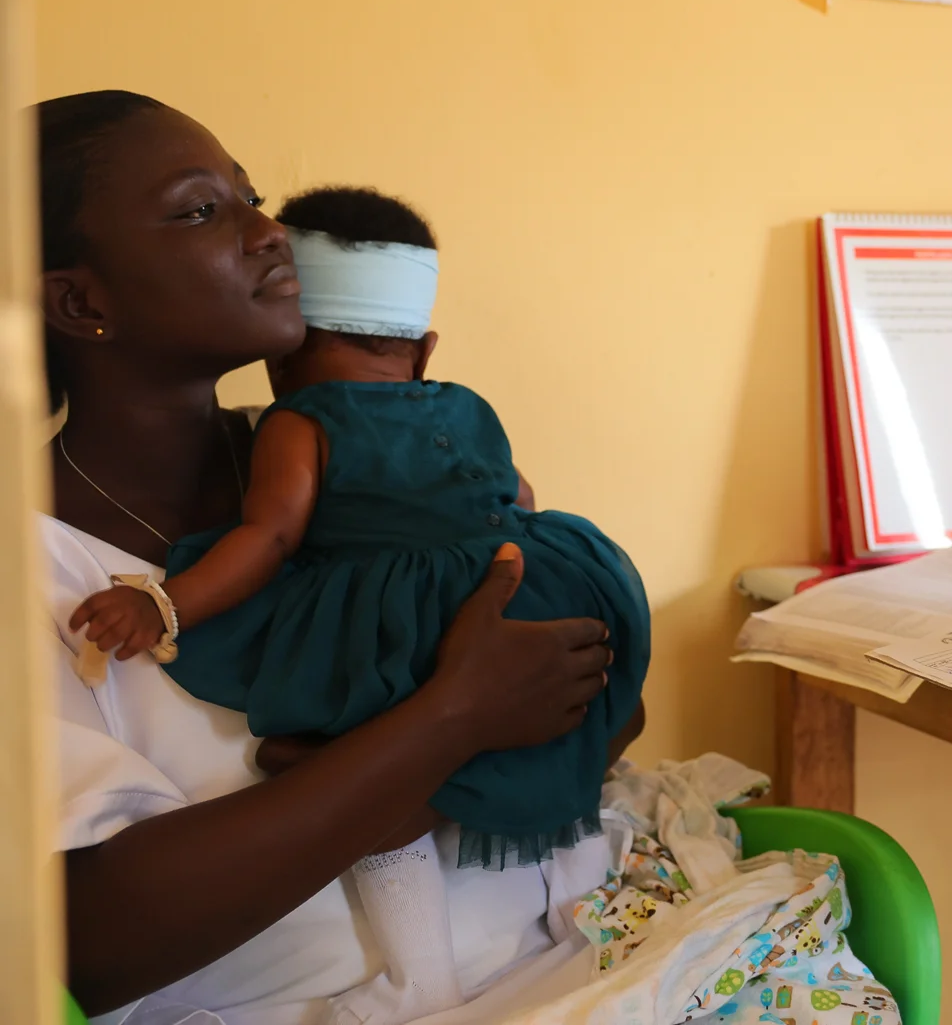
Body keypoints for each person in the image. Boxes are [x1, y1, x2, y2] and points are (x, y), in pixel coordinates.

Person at [39, 90, 629, 1023]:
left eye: (253, 195)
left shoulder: (352, 462)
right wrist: (452, 721)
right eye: (203, 209)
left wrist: (537, 697)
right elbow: (85, 947)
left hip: (600, 942)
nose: (272, 232)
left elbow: (584, 694)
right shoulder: (32, 573)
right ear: (81, 299)